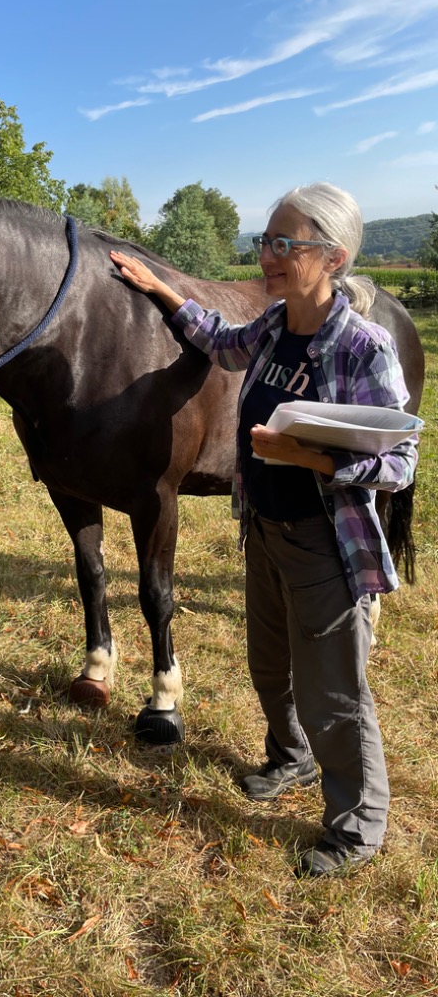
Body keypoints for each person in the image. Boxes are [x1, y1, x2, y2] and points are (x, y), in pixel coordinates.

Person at [110, 182, 419, 878]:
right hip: (266, 530)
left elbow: (399, 463)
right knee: (268, 668)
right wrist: (159, 287)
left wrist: (312, 457)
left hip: (325, 542)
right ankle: (291, 757)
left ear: (333, 257)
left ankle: (357, 828)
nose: (268, 256)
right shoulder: (276, 326)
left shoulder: (363, 348)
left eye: (286, 244)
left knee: (333, 695)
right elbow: (221, 342)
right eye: (266, 241)